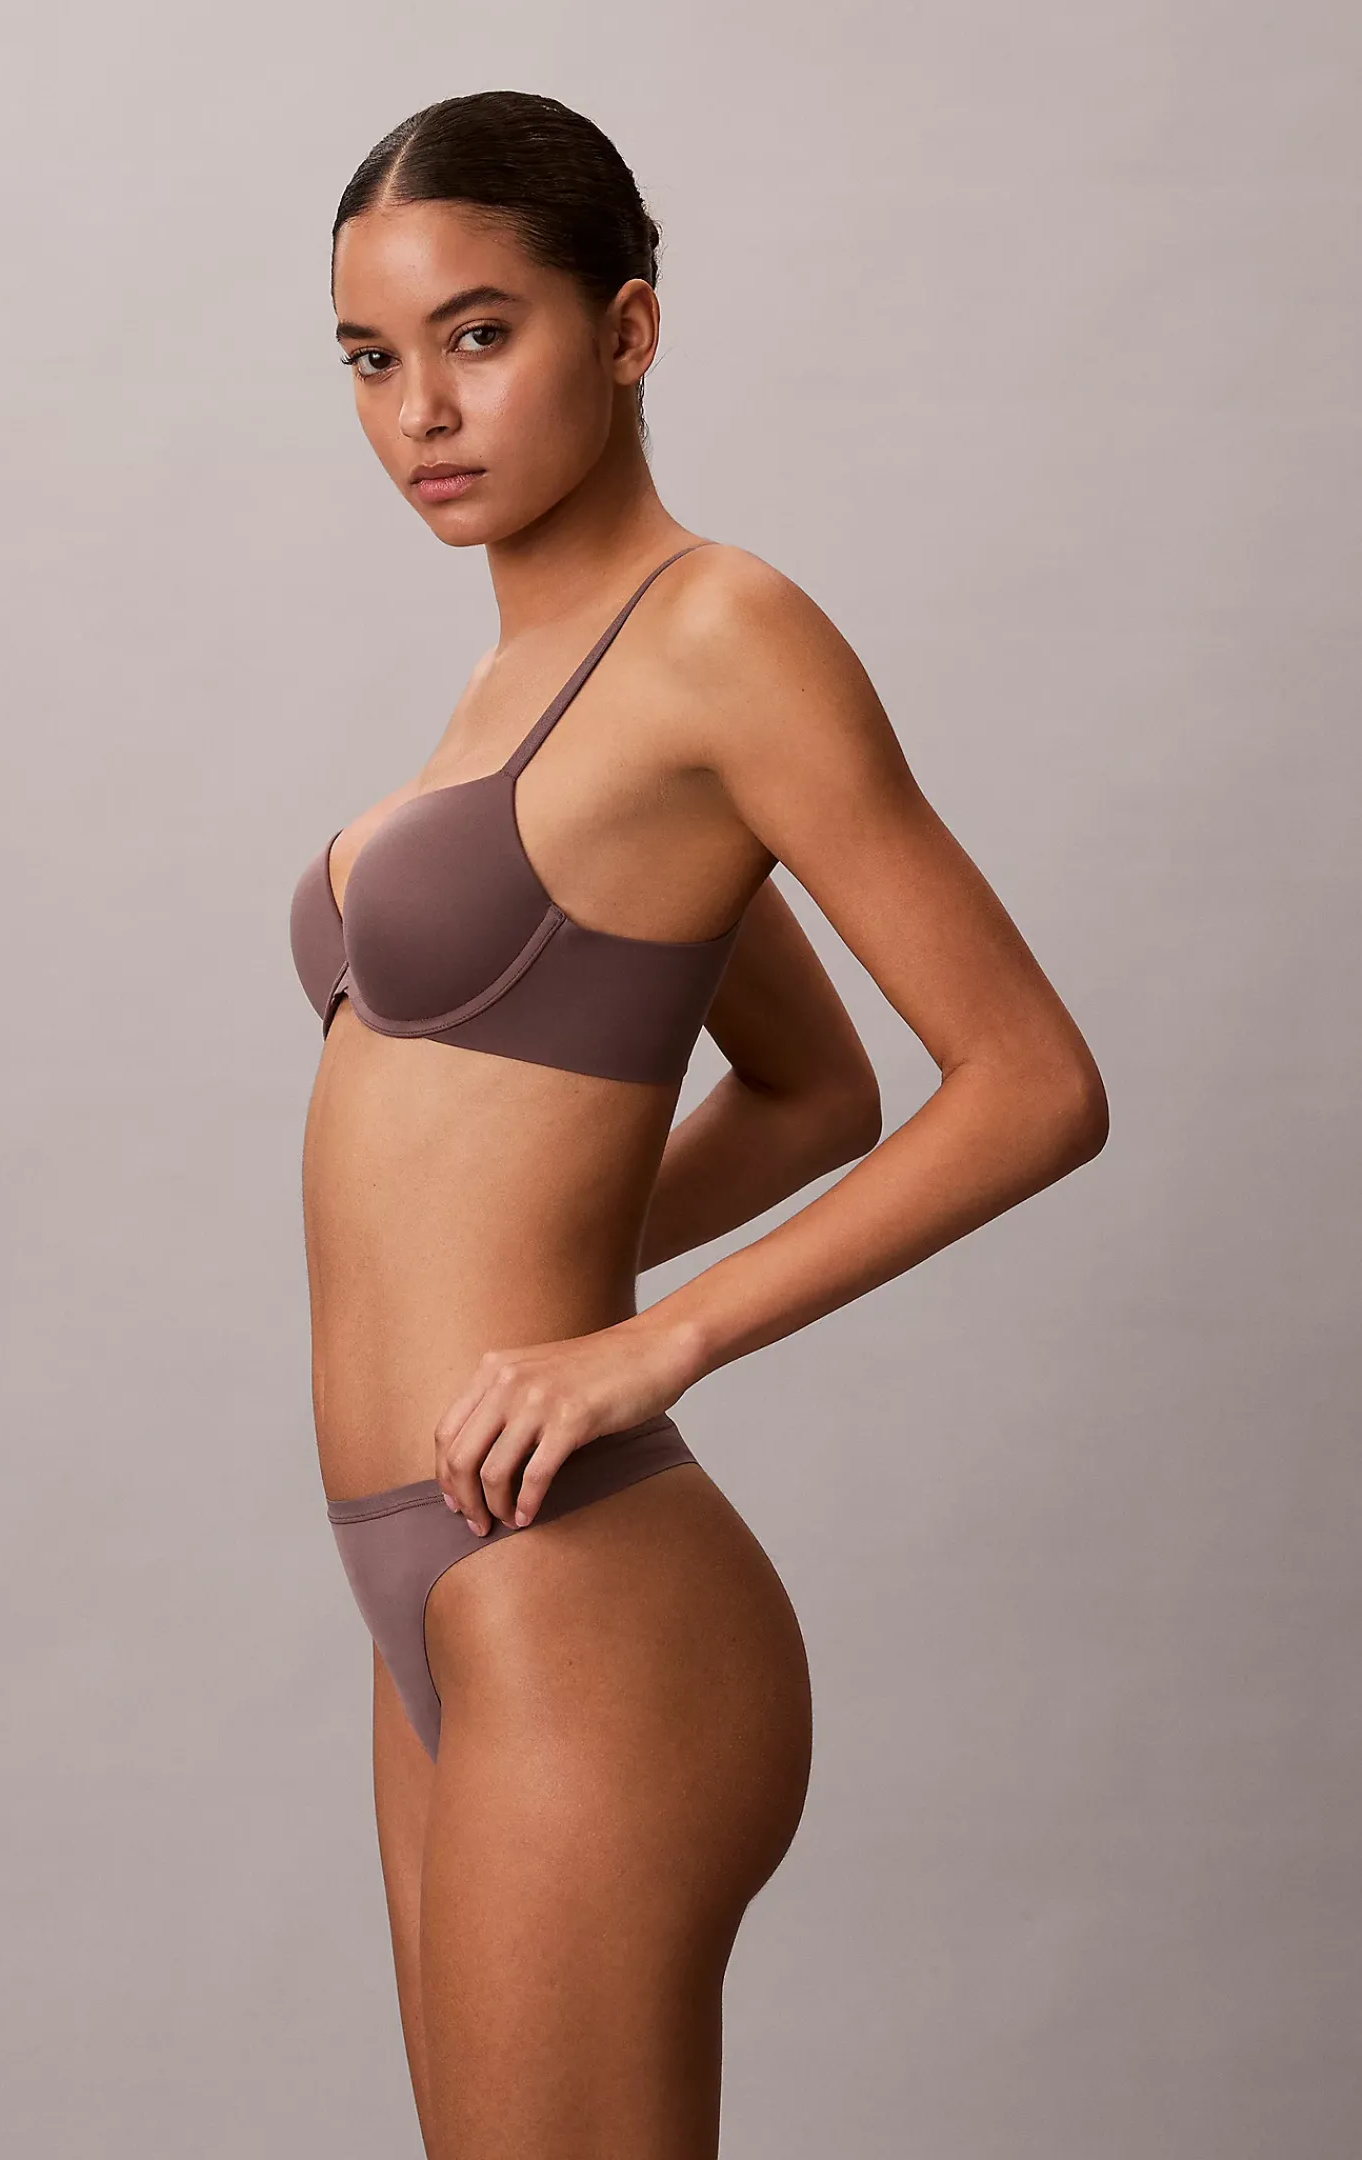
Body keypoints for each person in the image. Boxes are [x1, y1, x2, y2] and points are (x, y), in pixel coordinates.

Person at [287, 87, 1108, 2160]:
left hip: (581, 1592)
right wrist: (532, 1271)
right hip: (419, 1573)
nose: (420, 412)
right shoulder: (513, 690)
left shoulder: (721, 634)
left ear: (630, 329)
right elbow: (813, 1092)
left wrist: (643, 1341)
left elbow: (1032, 1083)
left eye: (480, 335)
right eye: (371, 359)